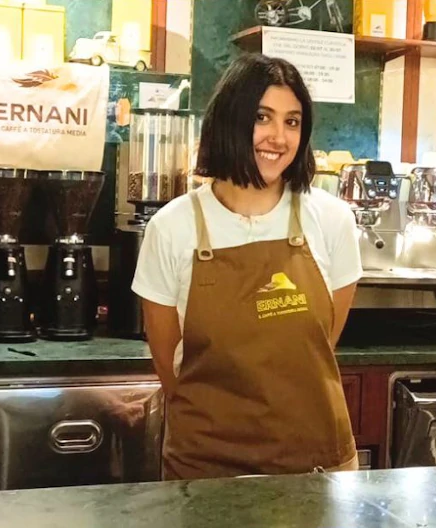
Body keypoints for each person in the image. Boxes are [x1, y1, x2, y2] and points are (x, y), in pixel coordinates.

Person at [132, 53, 363, 481]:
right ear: (230, 120)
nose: (279, 136)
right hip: (206, 469)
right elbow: (169, 365)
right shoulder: (172, 228)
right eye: (263, 117)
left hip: (313, 464)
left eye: (292, 122)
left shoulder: (332, 221)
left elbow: (320, 346)